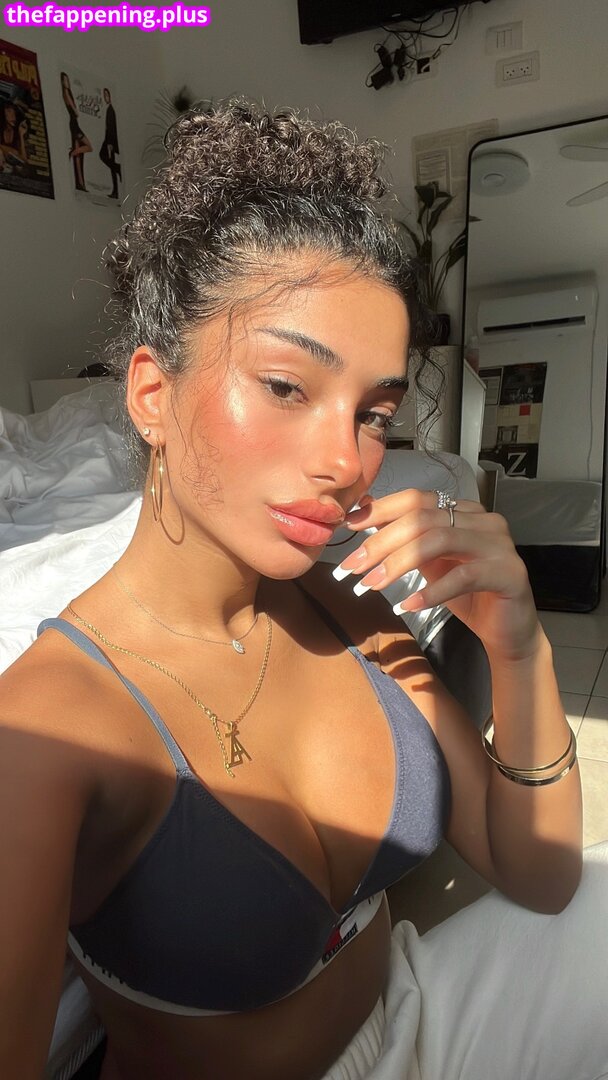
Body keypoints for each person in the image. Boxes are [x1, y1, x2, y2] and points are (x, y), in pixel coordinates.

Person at [1, 100, 607, 1080]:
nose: (346, 461)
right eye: (287, 387)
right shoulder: (45, 730)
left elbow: (538, 879)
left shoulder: (344, 606)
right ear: (152, 393)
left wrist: (517, 647)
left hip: (413, 1022)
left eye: (373, 413)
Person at [61, 72, 92, 192]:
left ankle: (80, 183)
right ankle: (72, 152)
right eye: (65, 80)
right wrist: (75, 110)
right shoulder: (66, 92)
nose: (67, 82)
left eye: (67, 80)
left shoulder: (67, 92)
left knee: (79, 155)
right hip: (74, 125)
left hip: (74, 124)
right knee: (88, 146)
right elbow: (75, 111)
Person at [99, 88, 122, 200]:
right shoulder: (108, 109)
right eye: (104, 95)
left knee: (106, 158)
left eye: (107, 95)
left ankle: (115, 191)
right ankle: (117, 170)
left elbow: (112, 128)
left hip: (110, 141)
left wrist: (110, 143)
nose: (105, 97)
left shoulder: (111, 110)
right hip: (108, 140)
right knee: (109, 161)